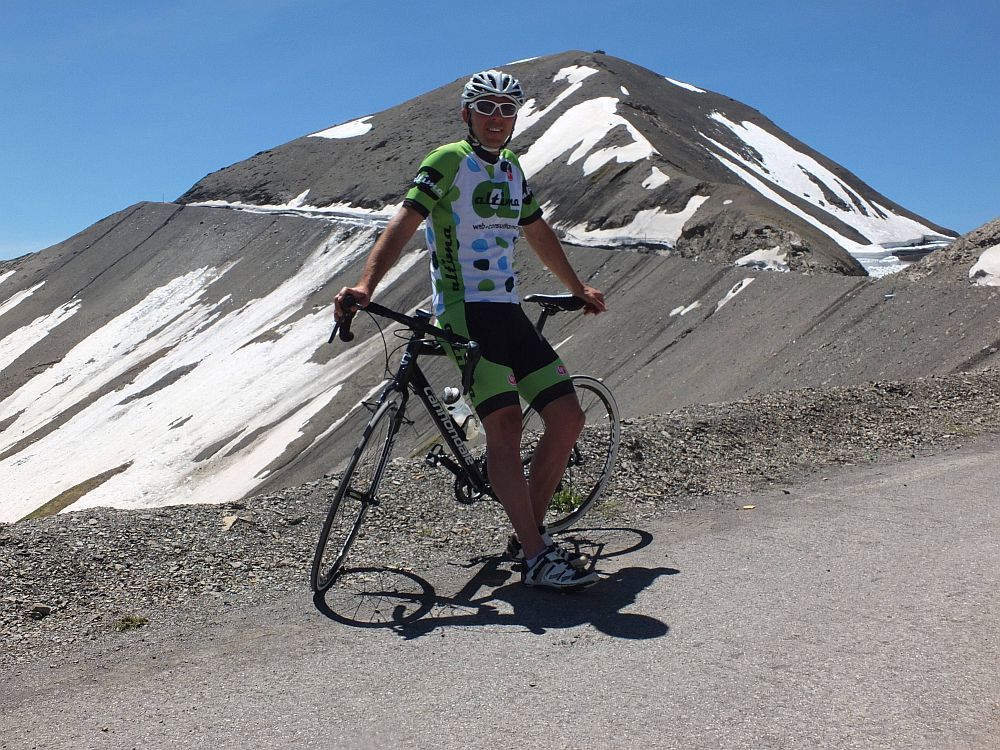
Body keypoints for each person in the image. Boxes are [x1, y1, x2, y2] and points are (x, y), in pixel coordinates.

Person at [334, 69, 607, 590]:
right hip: (464, 310)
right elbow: (404, 222)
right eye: (487, 107)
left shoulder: (511, 170)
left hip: (507, 308)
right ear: (467, 113)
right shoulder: (447, 161)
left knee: (568, 417)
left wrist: (576, 286)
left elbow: (537, 231)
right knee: (505, 428)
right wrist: (367, 284)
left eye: (508, 109)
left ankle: (530, 531)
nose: (498, 118)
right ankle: (534, 557)